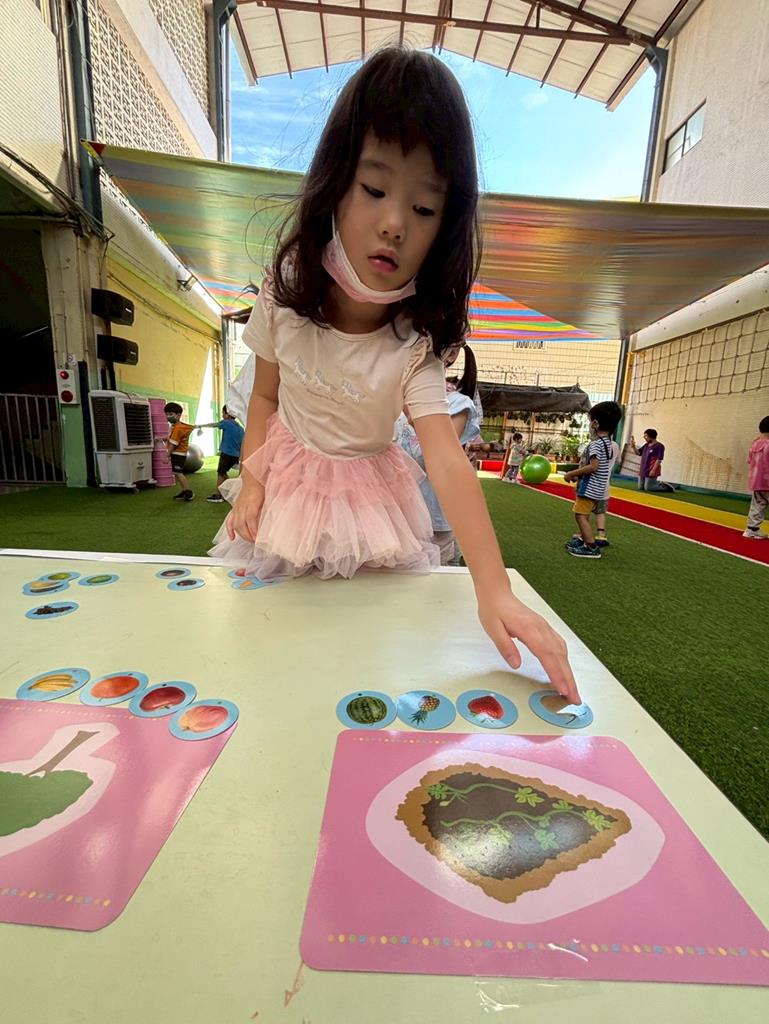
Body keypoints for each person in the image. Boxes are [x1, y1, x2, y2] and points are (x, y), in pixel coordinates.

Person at [210, 47, 578, 702]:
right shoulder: (285, 294)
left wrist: (495, 588)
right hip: (287, 492)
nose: (393, 224)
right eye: (375, 190)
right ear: (334, 184)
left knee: (368, 647)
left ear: (446, 225)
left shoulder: (412, 343)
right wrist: (252, 483)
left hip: (372, 508)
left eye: (424, 209)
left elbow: (447, 459)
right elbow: (264, 396)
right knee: (268, 645)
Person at [395, 343, 481, 564]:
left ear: (451, 354)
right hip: (394, 514)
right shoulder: (392, 398)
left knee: (433, 579)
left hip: (434, 518)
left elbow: (440, 458)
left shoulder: (458, 404)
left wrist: (412, 416)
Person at [563, 402, 622, 559]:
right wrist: (579, 474)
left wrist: (571, 473)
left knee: (580, 515)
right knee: (585, 514)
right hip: (599, 488)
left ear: (595, 423)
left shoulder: (596, 444)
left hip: (589, 488)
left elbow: (593, 466)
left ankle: (591, 547)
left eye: (590, 421)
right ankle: (584, 541)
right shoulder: (608, 443)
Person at [195, 406, 245, 503]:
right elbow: (242, 443)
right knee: (223, 473)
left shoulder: (226, 423)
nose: (222, 415)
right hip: (235, 455)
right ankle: (231, 490)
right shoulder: (240, 428)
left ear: (228, 414)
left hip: (226, 453)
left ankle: (218, 495)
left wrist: (200, 426)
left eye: (223, 413)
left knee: (220, 474)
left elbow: (214, 425)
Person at [743, 415, 769, 539]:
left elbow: (749, 461)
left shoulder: (754, 444)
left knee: (758, 504)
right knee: (759, 504)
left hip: (756, 481)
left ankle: (751, 529)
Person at [164, 402, 194, 502]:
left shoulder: (178, 428)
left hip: (178, 454)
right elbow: (172, 439)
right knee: (177, 473)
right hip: (179, 453)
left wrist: (167, 456)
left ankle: (188, 492)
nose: (168, 416)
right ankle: (184, 491)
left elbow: (174, 443)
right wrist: (164, 439)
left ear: (178, 415)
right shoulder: (176, 426)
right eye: (167, 414)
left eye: (171, 414)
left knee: (178, 472)